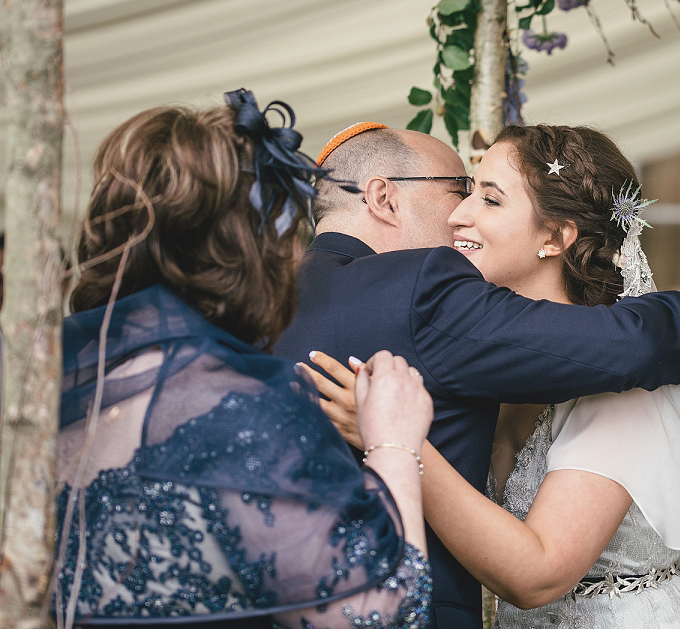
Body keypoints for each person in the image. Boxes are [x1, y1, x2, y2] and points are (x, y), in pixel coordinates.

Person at [273, 124, 680, 629]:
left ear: (556, 237)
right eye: (461, 190)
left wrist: (392, 439)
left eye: (488, 199)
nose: (459, 215)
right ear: (382, 197)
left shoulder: (617, 383)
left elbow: (537, 573)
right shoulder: (448, 320)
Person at [56, 91, 433, 628]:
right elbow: (385, 619)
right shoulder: (243, 416)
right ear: (254, 252)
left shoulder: (54, 394)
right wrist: (394, 444)